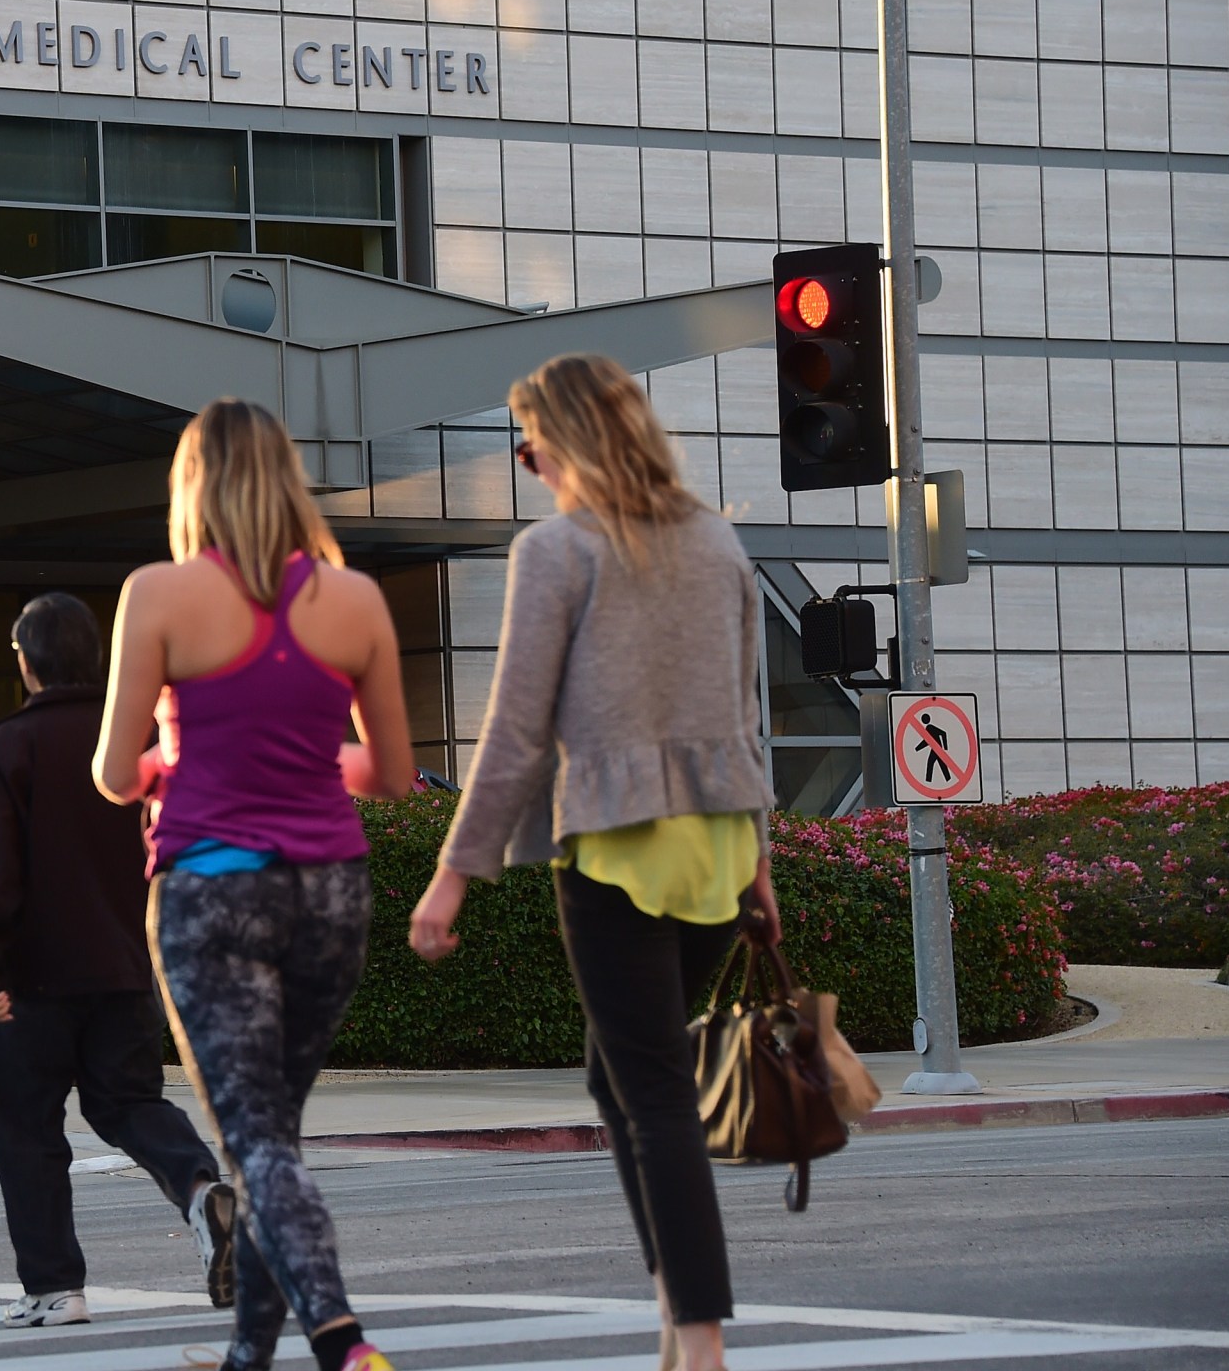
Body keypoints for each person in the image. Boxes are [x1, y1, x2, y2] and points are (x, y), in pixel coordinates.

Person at [408, 354, 777, 1371]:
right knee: (620, 1082)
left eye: (527, 448)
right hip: (715, 854)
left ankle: (696, 1342)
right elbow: (743, 721)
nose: (528, 467)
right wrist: (760, 872)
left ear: (562, 444)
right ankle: (675, 1319)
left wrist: (451, 877)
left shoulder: (558, 552)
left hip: (615, 854)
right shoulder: (719, 544)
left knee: (652, 1094)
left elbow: (515, 734)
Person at [94, 398, 415, 1371]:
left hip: (212, 894)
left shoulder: (157, 593)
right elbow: (393, 775)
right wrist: (314, 767)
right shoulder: (353, 600)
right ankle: (247, 1357)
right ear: (286, 479)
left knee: (256, 1143)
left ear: (191, 484)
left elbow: (112, 771)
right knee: (269, 1140)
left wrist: (165, 765)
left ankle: (343, 1341)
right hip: (331, 897)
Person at [0, 593, 236, 1330]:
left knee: (28, 1131)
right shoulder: (139, 739)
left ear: (27, 662)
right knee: (129, 1103)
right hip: (122, 967)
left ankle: (56, 1287)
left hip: (32, 979)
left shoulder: (11, 745)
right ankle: (197, 1184)